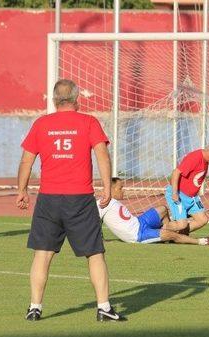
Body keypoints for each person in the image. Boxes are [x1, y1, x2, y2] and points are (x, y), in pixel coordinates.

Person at [16, 79, 126, 322]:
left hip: (48, 199)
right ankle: (104, 307)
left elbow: (27, 160)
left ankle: (35, 307)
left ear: (55, 100)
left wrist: (22, 189)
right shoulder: (88, 122)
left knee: (42, 254)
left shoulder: (41, 124)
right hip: (80, 199)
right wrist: (107, 187)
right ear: (77, 99)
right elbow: (102, 155)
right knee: (95, 253)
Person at [99, 178, 209, 245]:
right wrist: (100, 238)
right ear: (112, 189)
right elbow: (93, 219)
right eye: (120, 188)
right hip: (138, 234)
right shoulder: (102, 203)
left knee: (162, 209)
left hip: (139, 222)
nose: (123, 191)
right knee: (171, 235)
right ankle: (199, 241)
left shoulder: (112, 201)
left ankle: (167, 229)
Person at [165, 143, 209, 233]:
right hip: (179, 194)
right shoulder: (195, 157)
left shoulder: (206, 160)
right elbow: (176, 172)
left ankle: (179, 235)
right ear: (208, 151)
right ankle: (155, 231)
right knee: (182, 224)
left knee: (202, 220)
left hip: (192, 197)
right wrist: (174, 192)